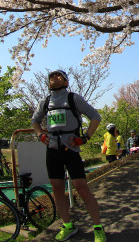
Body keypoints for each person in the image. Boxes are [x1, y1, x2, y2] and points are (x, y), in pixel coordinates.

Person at [31, 70, 107, 242]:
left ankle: (98, 227)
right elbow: (35, 121)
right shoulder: (45, 101)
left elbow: (95, 117)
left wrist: (85, 138)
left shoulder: (74, 98)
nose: (54, 78)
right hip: (52, 149)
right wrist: (39, 134)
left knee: (81, 187)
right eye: (52, 77)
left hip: (71, 149)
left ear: (66, 82)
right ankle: (67, 225)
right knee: (57, 189)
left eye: (59, 76)